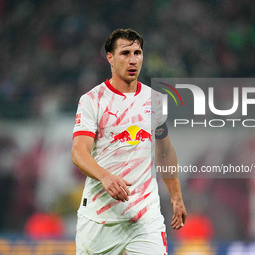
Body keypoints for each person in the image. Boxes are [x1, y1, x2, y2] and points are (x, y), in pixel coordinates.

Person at [72, 28, 187, 255]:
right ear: (110, 58)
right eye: (125, 53)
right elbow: (78, 153)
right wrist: (105, 177)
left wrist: (177, 197)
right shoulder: (92, 100)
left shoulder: (156, 101)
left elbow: (164, 152)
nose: (133, 59)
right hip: (100, 219)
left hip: (146, 219)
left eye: (138, 52)